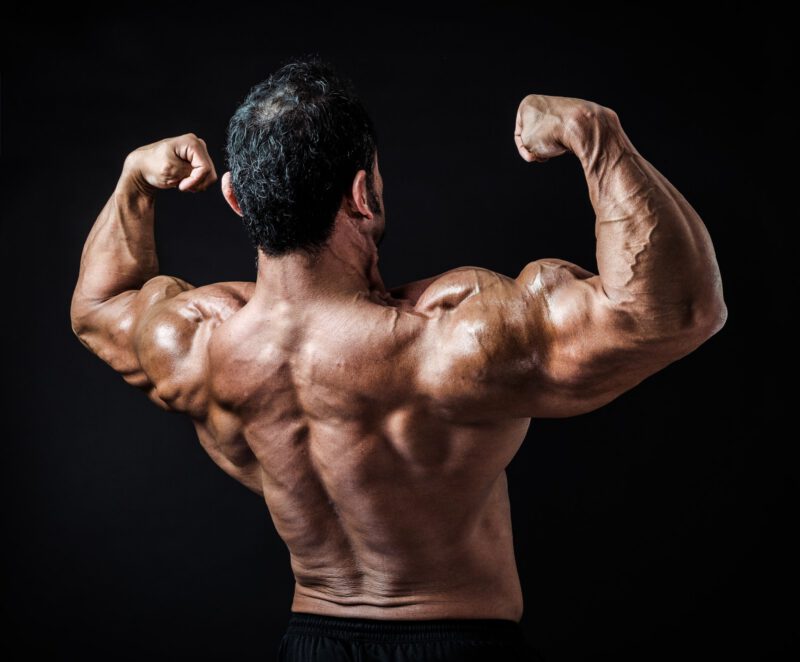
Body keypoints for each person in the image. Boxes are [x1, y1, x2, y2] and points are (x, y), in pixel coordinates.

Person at [69, 56, 726, 661]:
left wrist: (133, 182)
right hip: (461, 645)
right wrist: (596, 135)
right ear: (362, 193)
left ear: (236, 197)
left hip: (310, 645)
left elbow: (98, 306)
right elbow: (675, 309)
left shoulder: (195, 343)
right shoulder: (450, 341)